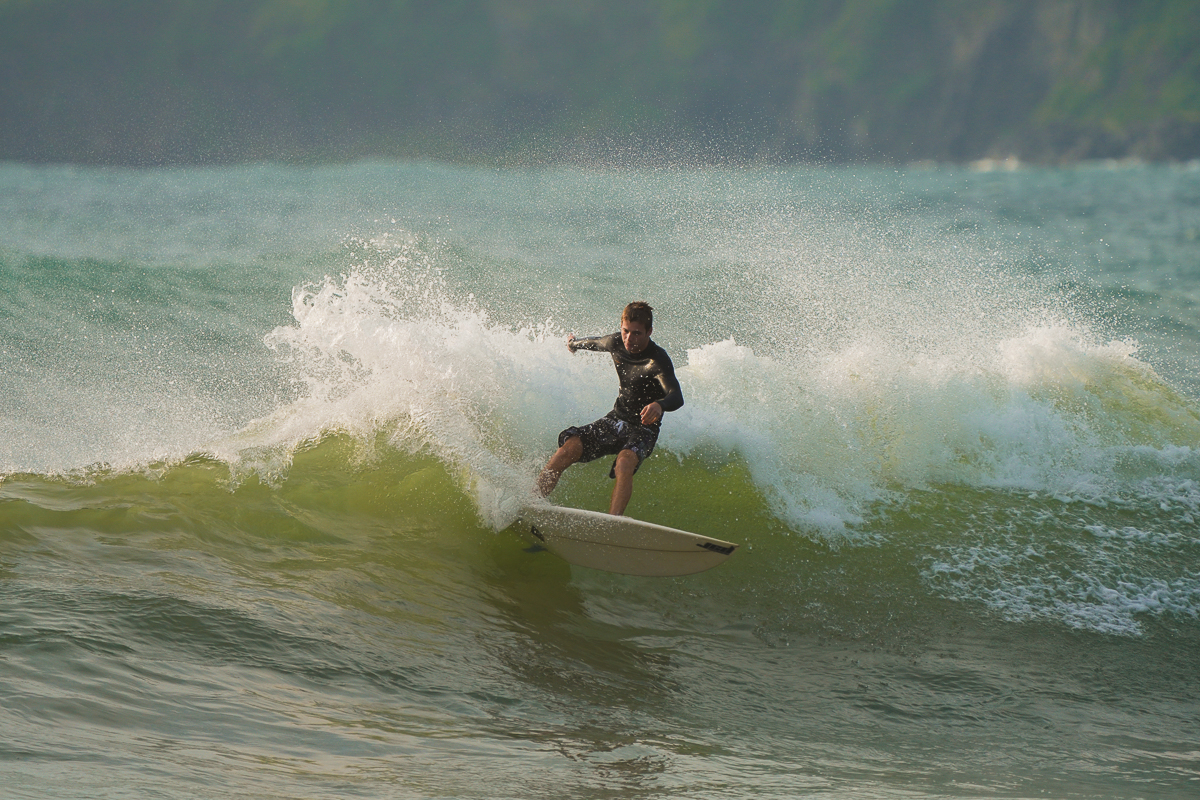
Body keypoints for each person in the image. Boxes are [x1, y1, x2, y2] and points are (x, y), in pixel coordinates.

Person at [537, 301, 683, 515]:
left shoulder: (658, 359)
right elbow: (595, 343)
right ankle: (533, 501)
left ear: (649, 332)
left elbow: (676, 396)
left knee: (624, 463)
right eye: (625, 331)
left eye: (637, 333)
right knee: (570, 446)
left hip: (643, 428)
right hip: (616, 419)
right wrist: (573, 344)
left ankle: (613, 523)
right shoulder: (616, 342)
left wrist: (659, 405)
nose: (629, 338)